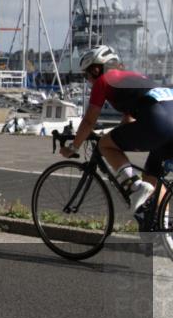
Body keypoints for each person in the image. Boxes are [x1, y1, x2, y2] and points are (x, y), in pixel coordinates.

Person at [60, 45, 172, 225]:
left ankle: (134, 187)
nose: (87, 80)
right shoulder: (132, 78)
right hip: (168, 116)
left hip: (158, 121)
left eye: (86, 75)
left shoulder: (104, 80)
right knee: (152, 179)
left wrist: (73, 147)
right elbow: (128, 120)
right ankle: (164, 228)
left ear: (96, 69)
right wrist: (118, 138)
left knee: (104, 145)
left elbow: (89, 121)